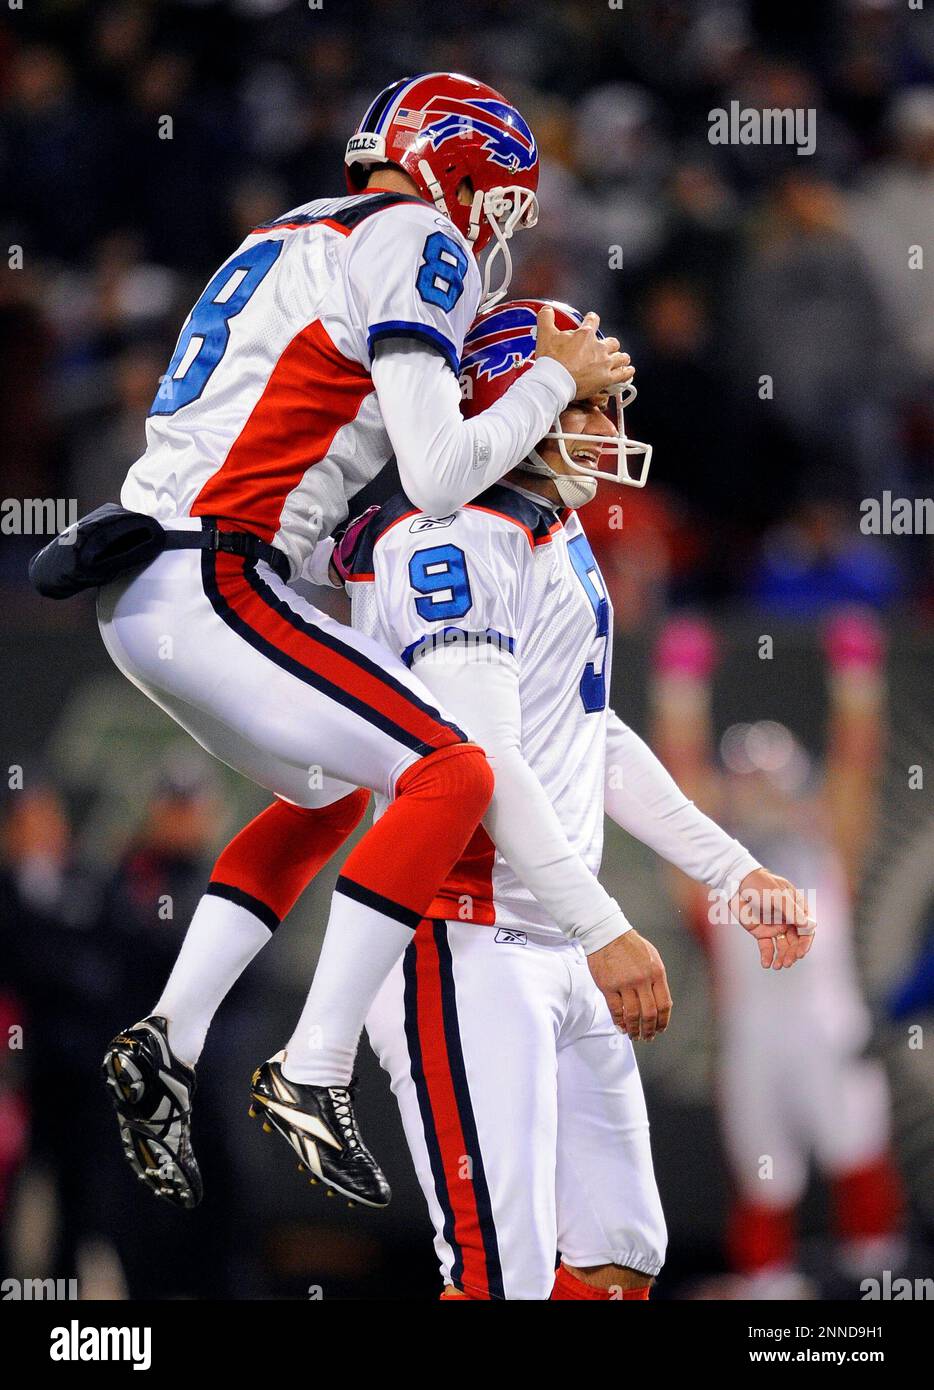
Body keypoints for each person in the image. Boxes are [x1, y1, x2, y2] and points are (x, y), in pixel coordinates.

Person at [180, 300, 815, 1296]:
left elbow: (587, 731)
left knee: (615, 1262)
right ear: (514, 395)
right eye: (591, 403)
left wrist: (730, 871)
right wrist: (605, 924)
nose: (609, 430)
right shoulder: (454, 536)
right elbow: (479, 761)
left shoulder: (543, 522)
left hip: (548, 939)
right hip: (461, 937)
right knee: (497, 1276)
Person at [96, 72, 634, 1212]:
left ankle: (169, 1036)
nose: (489, 230)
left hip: (162, 574)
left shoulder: (294, 230)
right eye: (496, 202)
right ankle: (313, 1064)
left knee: (339, 791)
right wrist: (553, 375)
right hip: (215, 572)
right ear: (455, 170)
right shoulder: (412, 235)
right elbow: (438, 474)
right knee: (450, 768)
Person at [650, 613, 904, 1297]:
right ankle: (769, 1290)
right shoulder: (711, 874)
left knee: (858, 1152)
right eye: (747, 778)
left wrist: (858, 680)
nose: (759, 790)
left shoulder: (826, 856)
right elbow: (678, 789)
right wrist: (681, 688)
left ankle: (875, 1275)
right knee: (765, 1174)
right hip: (755, 1043)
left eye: (773, 777)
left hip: (829, 1030)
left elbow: (857, 765)